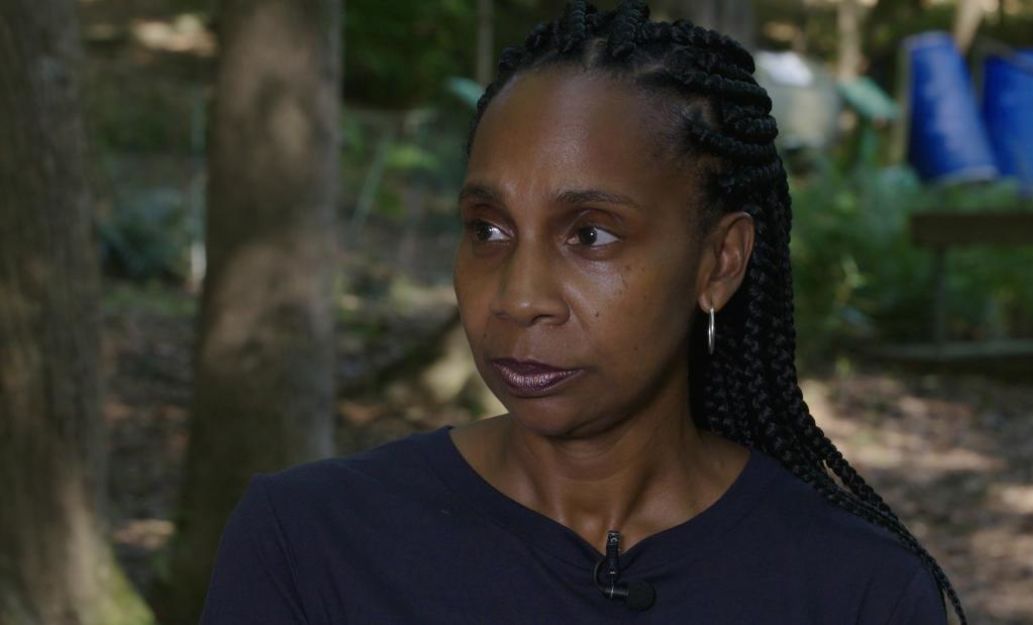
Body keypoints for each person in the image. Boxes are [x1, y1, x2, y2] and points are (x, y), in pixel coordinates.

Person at [199, 1, 967, 623]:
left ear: (719, 262)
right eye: (488, 230)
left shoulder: (857, 590)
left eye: (590, 234)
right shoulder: (308, 542)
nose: (518, 296)